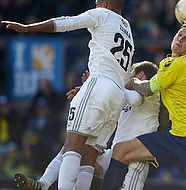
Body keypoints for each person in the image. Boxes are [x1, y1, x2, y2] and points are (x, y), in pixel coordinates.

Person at [2, 0, 135, 189]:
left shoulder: (102, 14)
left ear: (104, 5)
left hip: (99, 83)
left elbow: (66, 22)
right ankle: (45, 184)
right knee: (88, 156)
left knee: (73, 145)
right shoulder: (128, 29)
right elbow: (121, 73)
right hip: (116, 94)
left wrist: (29, 28)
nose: (96, 9)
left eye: (97, 5)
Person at [99, 22, 186, 190]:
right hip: (174, 135)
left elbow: (147, 89)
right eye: (180, 34)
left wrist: (133, 81)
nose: (180, 39)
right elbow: (165, 108)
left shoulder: (180, 65)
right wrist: (157, 134)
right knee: (120, 151)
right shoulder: (168, 63)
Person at [14, 61, 168, 190]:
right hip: (115, 154)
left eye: (130, 73)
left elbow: (134, 99)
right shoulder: (124, 97)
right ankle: (43, 183)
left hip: (135, 159)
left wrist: (109, 88)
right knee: (75, 147)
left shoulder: (150, 91)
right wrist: (89, 92)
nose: (127, 77)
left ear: (140, 75)